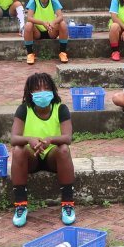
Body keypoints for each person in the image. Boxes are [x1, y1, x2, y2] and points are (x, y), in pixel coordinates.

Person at [10, 73, 75, 227]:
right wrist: (30, 140)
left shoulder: (61, 109)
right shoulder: (24, 109)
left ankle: (68, 204)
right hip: (31, 158)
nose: (42, 92)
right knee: (18, 150)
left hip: (53, 157)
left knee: (64, 149)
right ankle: (20, 205)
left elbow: (67, 137)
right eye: (37, 89)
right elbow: (14, 138)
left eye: (46, 88)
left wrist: (50, 140)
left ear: (52, 90)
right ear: (30, 93)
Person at [22, 0, 70, 65]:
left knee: (62, 23)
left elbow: (60, 16)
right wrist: (43, 23)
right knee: (28, 25)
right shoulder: (34, 0)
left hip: (51, 31)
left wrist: (52, 23)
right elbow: (29, 18)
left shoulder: (53, 0)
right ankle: (30, 53)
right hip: (37, 32)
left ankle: (62, 52)